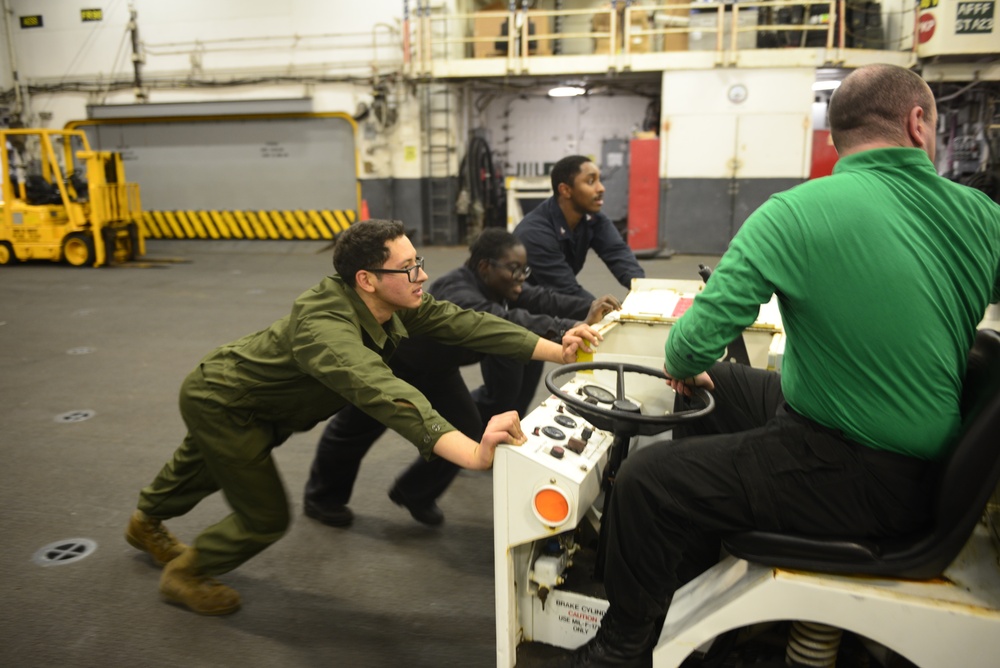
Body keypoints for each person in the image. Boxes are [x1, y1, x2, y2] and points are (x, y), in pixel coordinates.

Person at [560, 64, 1000, 667]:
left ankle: (622, 647)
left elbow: (688, 347)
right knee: (726, 385)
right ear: (917, 122)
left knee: (646, 483)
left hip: (859, 472)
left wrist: (688, 362)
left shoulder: (795, 212)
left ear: (835, 133)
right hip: (908, 458)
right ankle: (698, 559)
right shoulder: (983, 216)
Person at [123, 219, 600, 616]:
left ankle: (146, 521)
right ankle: (185, 574)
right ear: (366, 279)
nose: (420, 276)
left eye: (419, 263)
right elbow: (383, 390)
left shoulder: (394, 304)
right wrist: (474, 453)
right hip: (225, 404)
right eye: (406, 268)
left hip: (257, 404)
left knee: (200, 468)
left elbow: (467, 323)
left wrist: (556, 347)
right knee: (264, 517)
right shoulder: (325, 327)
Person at [303, 228, 620, 528]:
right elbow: (502, 320)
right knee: (354, 430)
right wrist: (565, 330)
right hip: (396, 365)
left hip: (437, 370)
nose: (522, 279)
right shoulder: (459, 291)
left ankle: (413, 492)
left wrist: (587, 312)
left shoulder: (501, 283)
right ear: (485, 267)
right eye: (514, 269)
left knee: (467, 429)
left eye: (524, 270)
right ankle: (321, 499)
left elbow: (543, 300)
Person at [514, 155, 645, 300]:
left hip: (554, 301)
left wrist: (642, 291)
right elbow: (566, 291)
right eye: (590, 181)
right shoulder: (535, 234)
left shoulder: (592, 218)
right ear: (565, 190)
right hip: (523, 311)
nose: (601, 188)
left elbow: (618, 253)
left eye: (599, 180)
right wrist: (607, 312)